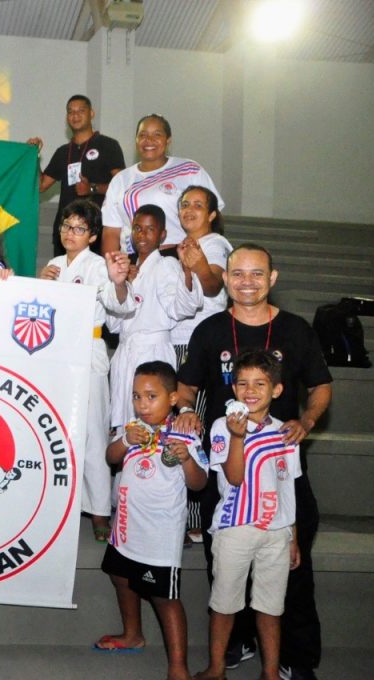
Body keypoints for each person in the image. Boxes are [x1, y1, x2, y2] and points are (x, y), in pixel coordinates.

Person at [176, 244, 332, 680]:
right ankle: (239, 640)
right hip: (228, 467)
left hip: (282, 466)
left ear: (273, 278)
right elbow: (186, 387)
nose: (248, 281)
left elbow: (321, 386)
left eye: (257, 274)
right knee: (222, 559)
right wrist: (186, 409)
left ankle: (296, 659)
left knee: (293, 570)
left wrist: (308, 418)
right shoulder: (210, 330)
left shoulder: (297, 330)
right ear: (225, 279)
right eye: (238, 273)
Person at [193, 350, 301, 680]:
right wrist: (239, 436)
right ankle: (216, 668)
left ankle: (270, 672)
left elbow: (288, 488)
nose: (250, 390)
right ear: (233, 388)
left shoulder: (286, 433)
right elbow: (235, 477)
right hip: (234, 528)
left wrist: (293, 536)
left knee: (270, 608)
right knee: (224, 604)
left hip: (276, 532)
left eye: (260, 383)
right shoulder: (223, 427)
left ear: (277, 390)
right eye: (242, 383)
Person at [96, 361, 206, 680]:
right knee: (120, 576)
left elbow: (199, 484)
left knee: (164, 598)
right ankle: (133, 634)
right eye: (136, 397)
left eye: (151, 396)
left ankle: (178, 667)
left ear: (172, 398)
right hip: (127, 527)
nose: (142, 405)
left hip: (160, 534)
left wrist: (185, 460)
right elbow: (110, 458)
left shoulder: (185, 433)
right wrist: (126, 440)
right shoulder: (133, 427)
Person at [38, 200, 134, 542]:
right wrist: (40, 285)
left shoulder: (97, 265)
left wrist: (120, 281)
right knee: (59, 430)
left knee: (93, 432)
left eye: (79, 228)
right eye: (66, 226)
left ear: (93, 236)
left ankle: (98, 511)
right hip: (56, 353)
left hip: (88, 350)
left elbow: (117, 303)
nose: (69, 234)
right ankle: (60, 503)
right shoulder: (52, 264)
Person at [172, 185, 232, 544]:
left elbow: (211, 287)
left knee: (194, 426)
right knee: (179, 425)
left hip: (200, 343)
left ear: (211, 214)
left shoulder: (215, 245)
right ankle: (183, 513)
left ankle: (196, 519)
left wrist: (197, 266)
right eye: (185, 205)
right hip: (177, 340)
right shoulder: (183, 245)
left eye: (198, 205)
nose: (190, 210)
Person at [107, 204, 202, 430]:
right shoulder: (127, 268)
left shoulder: (166, 265)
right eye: (137, 228)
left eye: (150, 229)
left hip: (152, 352)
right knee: (124, 426)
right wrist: (125, 284)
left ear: (162, 235)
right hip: (126, 351)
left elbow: (180, 307)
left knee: (153, 424)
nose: (142, 235)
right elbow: (114, 322)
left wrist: (187, 271)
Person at [101, 114, 223, 256]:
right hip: (133, 262)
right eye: (143, 135)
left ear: (168, 140)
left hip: (181, 257)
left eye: (157, 134)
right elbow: (111, 231)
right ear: (136, 140)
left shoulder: (189, 170)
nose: (149, 140)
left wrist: (208, 254)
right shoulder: (120, 180)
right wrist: (113, 268)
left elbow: (214, 217)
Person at [27, 95, 126, 256]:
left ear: (91, 114)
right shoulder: (63, 152)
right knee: (63, 279)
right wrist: (34, 157)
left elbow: (122, 187)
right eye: (70, 112)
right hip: (65, 232)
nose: (75, 115)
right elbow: (41, 185)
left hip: (96, 232)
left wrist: (92, 188)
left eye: (81, 111)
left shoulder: (108, 145)